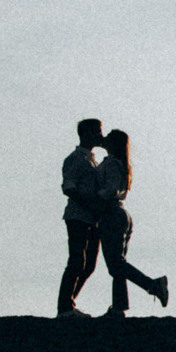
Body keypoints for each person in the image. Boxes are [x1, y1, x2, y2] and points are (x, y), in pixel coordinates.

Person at [95, 127, 170, 316]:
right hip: (120, 215)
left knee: (116, 264)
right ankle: (119, 308)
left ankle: (152, 285)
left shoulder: (111, 163)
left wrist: (95, 198)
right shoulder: (121, 164)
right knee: (118, 264)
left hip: (111, 214)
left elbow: (110, 189)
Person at [57, 117, 108, 317]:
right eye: (96, 131)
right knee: (77, 260)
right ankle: (65, 307)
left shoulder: (92, 160)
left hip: (93, 218)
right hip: (78, 216)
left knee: (88, 265)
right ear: (85, 133)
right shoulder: (75, 159)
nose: (100, 135)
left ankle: (69, 302)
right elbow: (68, 187)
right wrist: (89, 203)